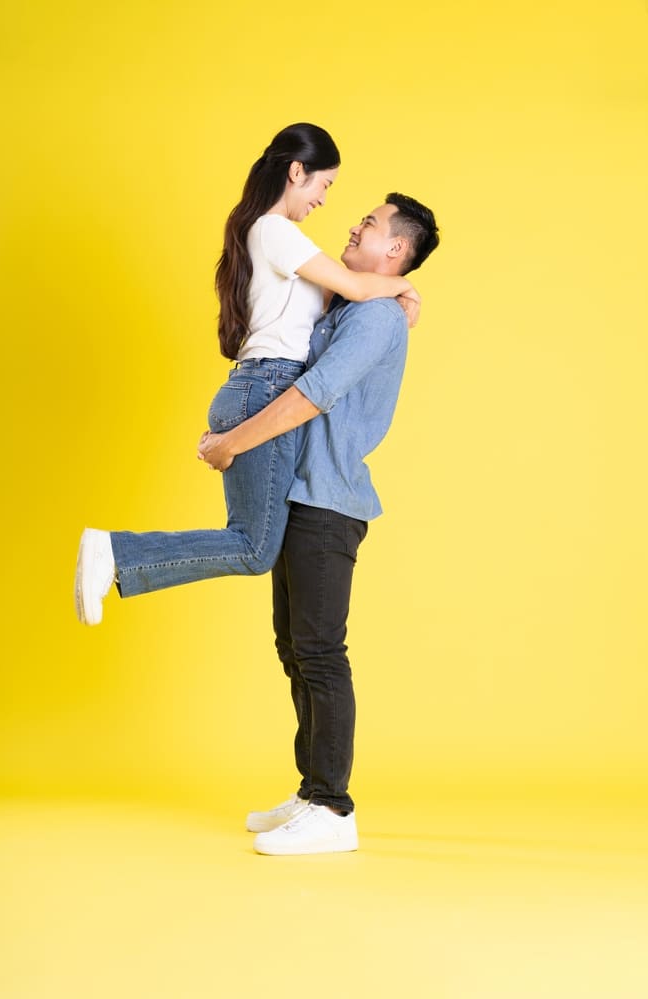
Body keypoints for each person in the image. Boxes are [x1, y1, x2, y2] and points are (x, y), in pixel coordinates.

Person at [75, 123, 418, 625]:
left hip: (255, 384)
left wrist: (397, 291)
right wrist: (406, 287)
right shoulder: (276, 231)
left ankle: (116, 556)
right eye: (324, 185)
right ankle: (115, 553)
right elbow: (354, 286)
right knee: (254, 547)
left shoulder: (274, 237)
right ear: (297, 172)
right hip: (268, 385)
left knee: (253, 543)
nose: (324, 200)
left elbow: (338, 298)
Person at [198, 193, 440, 855]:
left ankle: (332, 810)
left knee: (320, 654)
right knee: (294, 648)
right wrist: (396, 290)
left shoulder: (373, 319)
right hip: (302, 495)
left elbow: (311, 395)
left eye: (370, 222)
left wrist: (232, 443)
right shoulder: (354, 306)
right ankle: (311, 791)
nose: (354, 223)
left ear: (394, 248)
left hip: (328, 504)